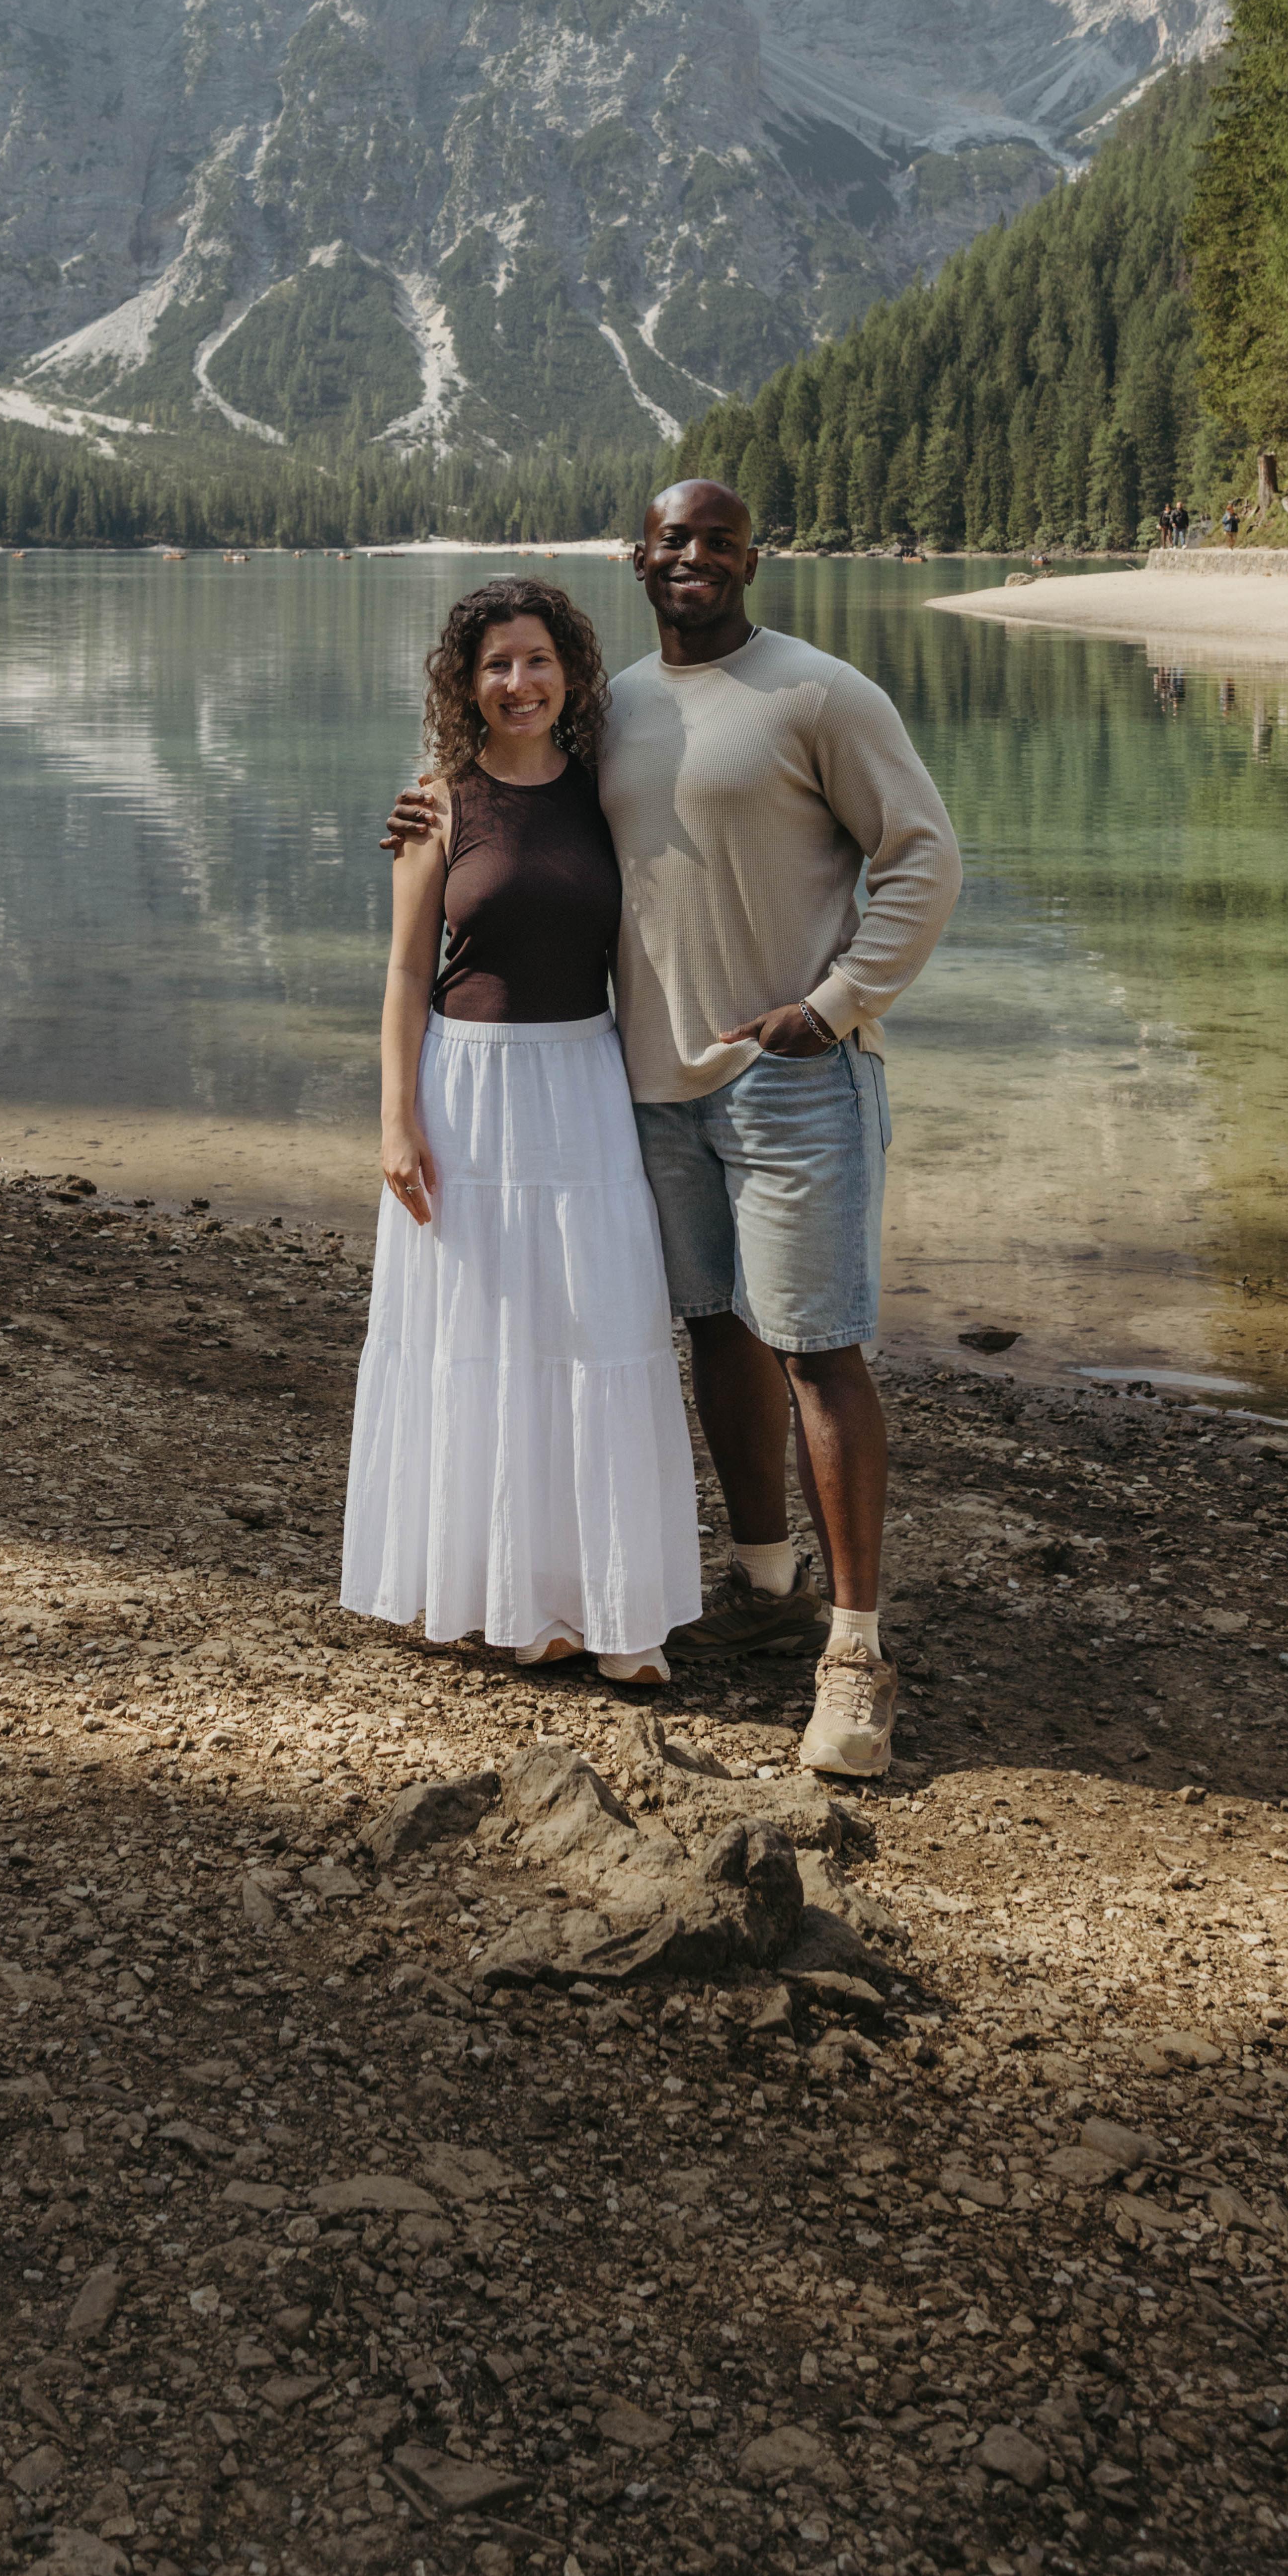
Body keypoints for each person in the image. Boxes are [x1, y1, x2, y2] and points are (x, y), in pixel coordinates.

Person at [388, 483, 961, 1778]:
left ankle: (855, 1654)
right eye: (669, 541)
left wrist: (836, 1003)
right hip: (645, 1085)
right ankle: (764, 1583)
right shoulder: (618, 709)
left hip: (794, 1075)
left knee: (818, 1347)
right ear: (636, 562)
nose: (691, 557)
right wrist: (425, 823)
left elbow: (923, 857)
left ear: (750, 556)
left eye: (715, 538)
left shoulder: (817, 694)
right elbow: (522, 810)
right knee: (714, 1325)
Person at [342, 577, 700, 1685]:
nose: (518, 682)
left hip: (582, 1082)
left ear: (569, 671)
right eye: (495, 664)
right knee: (486, 1337)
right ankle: (519, 1601)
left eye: (536, 659)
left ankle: (616, 1610)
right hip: (470, 1089)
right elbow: (407, 973)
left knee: (597, 1327)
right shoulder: (437, 806)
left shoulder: (607, 795)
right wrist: (396, 1119)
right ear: (467, 682)